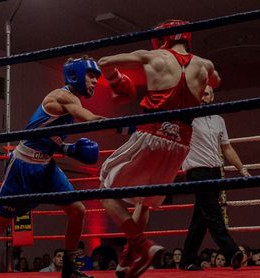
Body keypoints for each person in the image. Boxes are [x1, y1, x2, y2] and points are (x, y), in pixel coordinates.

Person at [0, 56, 104, 278]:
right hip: (23, 167)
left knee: (77, 210)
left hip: (46, 166)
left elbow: (50, 138)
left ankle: (69, 268)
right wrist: (126, 127)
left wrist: (70, 150)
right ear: (76, 75)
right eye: (91, 75)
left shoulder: (69, 102)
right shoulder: (63, 97)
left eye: (97, 77)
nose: (95, 81)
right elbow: (91, 119)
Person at [98, 19, 220, 278]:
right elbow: (216, 81)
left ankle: (142, 245)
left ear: (163, 37)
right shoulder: (205, 65)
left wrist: (118, 82)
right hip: (180, 145)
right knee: (144, 200)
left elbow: (104, 63)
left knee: (105, 191)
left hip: (153, 134)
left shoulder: (153, 57)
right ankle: (129, 256)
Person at [180, 85, 249, 271]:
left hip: (215, 172)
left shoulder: (219, 120)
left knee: (202, 217)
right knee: (212, 211)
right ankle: (232, 251)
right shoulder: (188, 117)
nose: (204, 96)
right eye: (201, 93)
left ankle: (187, 259)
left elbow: (227, 148)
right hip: (197, 172)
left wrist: (242, 168)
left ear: (212, 97)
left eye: (207, 93)